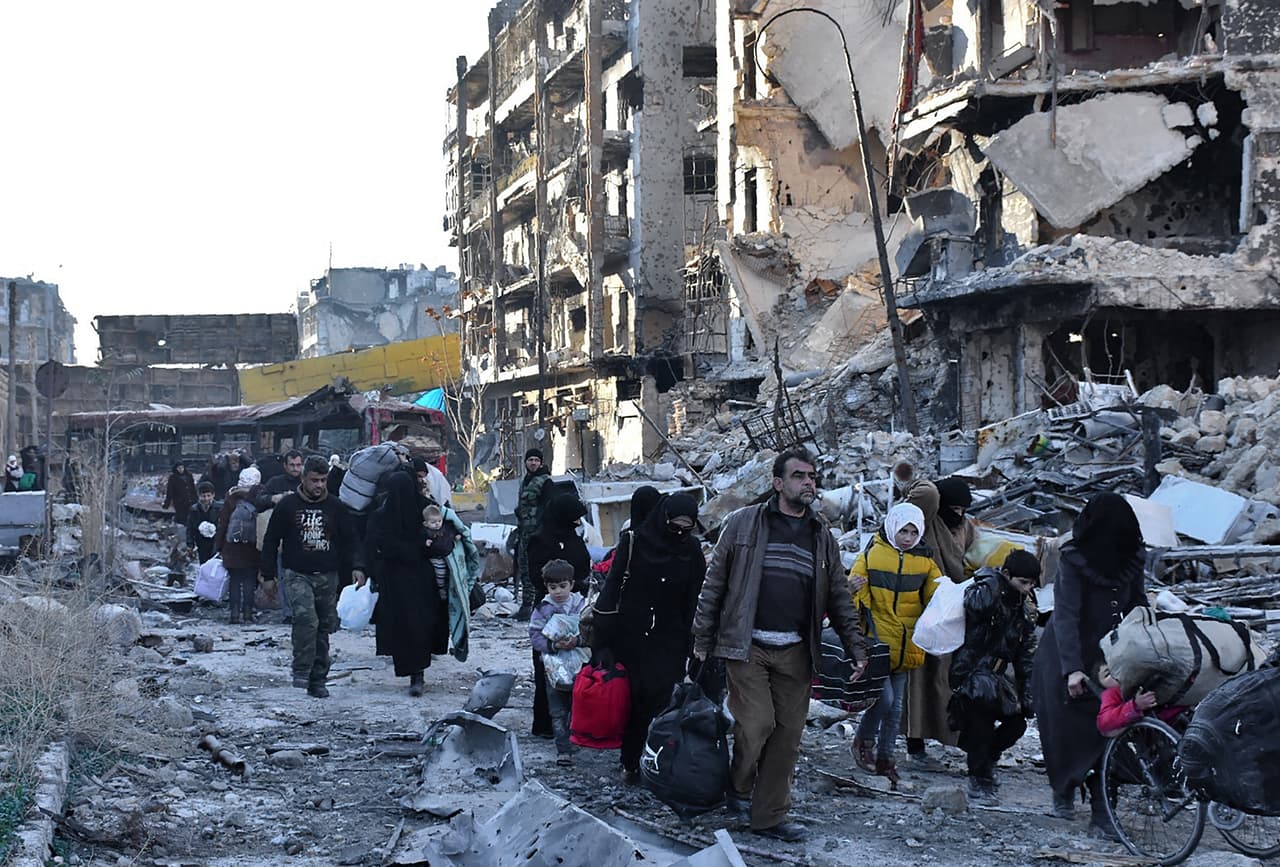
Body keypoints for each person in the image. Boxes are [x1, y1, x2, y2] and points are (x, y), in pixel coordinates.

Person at [692, 449, 868, 843]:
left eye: (812, 476)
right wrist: (703, 638)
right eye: (800, 476)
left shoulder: (821, 535)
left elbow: (839, 594)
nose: (809, 482)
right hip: (746, 645)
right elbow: (714, 585)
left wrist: (856, 647)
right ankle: (738, 787)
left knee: (787, 737)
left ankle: (769, 816)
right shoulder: (742, 524)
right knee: (756, 725)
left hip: (797, 652)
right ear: (778, 483)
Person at [1031, 492, 1146, 838]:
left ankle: (1102, 808)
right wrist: (1072, 669)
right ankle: (1063, 788)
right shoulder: (1073, 559)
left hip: (1112, 656)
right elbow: (1066, 615)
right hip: (1067, 656)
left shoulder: (1131, 558)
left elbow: (1138, 605)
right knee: (1067, 734)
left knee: (1111, 730)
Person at [596, 493, 706, 783]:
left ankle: (655, 762)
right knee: (633, 701)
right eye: (674, 527)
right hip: (631, 635)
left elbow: (696, 597)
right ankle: (631, 762)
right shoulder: (634, 542)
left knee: (662, 701)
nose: (679, 534)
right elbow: (611, 591)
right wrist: (602, 642)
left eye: (686, 529)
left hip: (671, 638)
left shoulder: (691, 550)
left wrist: (697, 642)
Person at [850, 503, 942, 787]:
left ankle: (886, 759)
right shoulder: (872, 555)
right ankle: (863, 742)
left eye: (914, 532)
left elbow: (936, 595)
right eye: (904, 530)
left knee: (895, 707)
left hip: (905, 649)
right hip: (877, 645)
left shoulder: (925, 561)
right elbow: (855, 598)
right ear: (892, 527)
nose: (908, 537)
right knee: (886, 699)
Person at [261, 456, 365, 698]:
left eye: (323, 480)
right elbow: (270, 540)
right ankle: (301, 669)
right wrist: (267, 575)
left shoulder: (336, 507)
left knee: (324, 626)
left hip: (327, 576)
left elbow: (351, 540)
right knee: (306, 619)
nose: (319, 485)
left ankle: (318, 679)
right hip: (297, 574)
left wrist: (358, 566)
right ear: (303, 478)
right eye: (314, 480)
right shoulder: (287, 506)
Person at [947, 549, 1040, 804]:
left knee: (1016, 725)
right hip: (973, 672)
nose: (1027, 588)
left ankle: (986, 760)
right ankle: (979, 778)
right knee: (981, 726)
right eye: (1023, 583)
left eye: (1031, 584)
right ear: (1007, 574)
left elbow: (1025, 651)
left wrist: (1027, 691)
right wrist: (991, 579)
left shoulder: (1024, 606)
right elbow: (975, 605)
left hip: (1000, 677)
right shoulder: (986, 591)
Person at [903, 475, 975, 767]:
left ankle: (954, 736)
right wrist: (931, 486)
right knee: (918, 683)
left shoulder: (967, 527)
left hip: (953, 611)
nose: (957, 514)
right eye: (952, 508)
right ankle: (914, 742)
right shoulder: (928, 521)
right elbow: (924, 496)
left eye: (962, 509)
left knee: (944, 680)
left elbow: (971, 562)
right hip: (920, 609)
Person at [525, 493, 591, 739]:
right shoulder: (539, 540)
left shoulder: (573, 538)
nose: (577, 522)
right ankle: (546, 725)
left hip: (574, 609)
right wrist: (556, 590)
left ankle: (574, 726)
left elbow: (584, 565)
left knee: (575, 669)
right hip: (549, 611)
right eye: (573, 518)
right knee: (548, 668)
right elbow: (534, 575)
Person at [529, 559, 588, 765]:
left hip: (580, 665)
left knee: (578, 705)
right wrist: (554, 646)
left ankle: (576, 740)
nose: (558, 592)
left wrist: (578, 641)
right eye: (553, 587)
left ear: (571, 585)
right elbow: (535, 637)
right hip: (553, 667)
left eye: (563, 586)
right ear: (547, 587)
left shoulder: (581, 605)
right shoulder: (543, 609)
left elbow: (592, 630)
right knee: (557, 709)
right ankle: (563, 749)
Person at [214, 467, 261, 625]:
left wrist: (219, 545)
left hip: (232, 546)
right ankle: (248, 614)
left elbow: (224, 522)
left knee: (234, 581)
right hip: (252, 546)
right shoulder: (259, 496)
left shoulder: (231, 496)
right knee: (249, 580)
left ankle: (234, 614)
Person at [514, 447, 552, 620]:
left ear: (541, 463)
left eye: (536, 460)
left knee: (534, 569)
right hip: (524, 531)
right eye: (531, 460)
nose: (533, 463)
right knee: (524, 567)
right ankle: (526, 605)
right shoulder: (526, 480)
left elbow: (547, 507)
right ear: (526, 462)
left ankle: (536, 606)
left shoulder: (545, 481)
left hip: (537, 533)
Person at [185, 481, 222, 564]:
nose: (206, 499)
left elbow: (224, 526)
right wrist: (190, 544)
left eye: (209, 496)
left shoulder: (220, 508)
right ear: (198, 496)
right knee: (204, 564)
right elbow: (190, 528)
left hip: (216, 543)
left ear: (213, 495)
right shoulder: (194, 510)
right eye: (203, 496)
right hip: (201, 542)